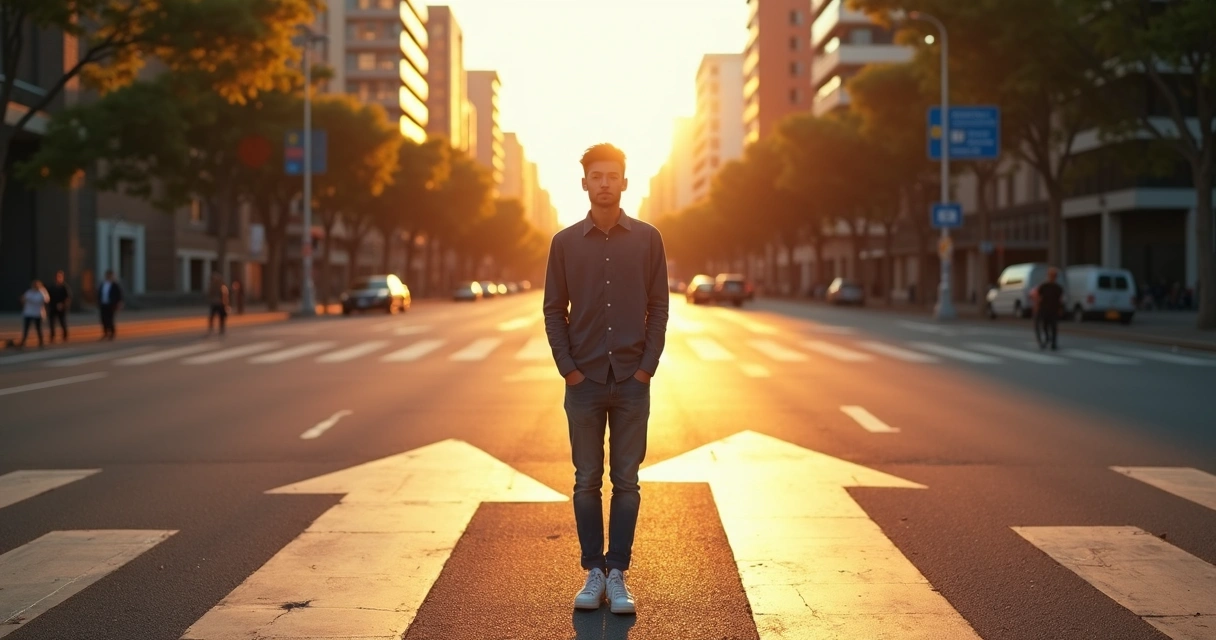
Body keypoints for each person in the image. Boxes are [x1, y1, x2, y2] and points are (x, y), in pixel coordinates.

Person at [543, 143, 669, 616]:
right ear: (584, 183)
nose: (604, 183)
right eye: (596, 175)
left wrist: (646, 366)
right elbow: (554, 310)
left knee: (627, 481)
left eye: (612, 175)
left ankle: (618, 573)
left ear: (624, 182)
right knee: (585, 480)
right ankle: (592, 571)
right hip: (586, 380)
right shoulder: (564, 243)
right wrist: (569, 369)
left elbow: (659, 305)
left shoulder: (648, 239)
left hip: (633, 378)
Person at [1032, 267, 1064, 350]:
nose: (1052, 277)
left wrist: (1060, 309)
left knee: (1053, 326)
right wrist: (1037, 307)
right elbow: (1038, 297)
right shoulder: (1044, 286)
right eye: (1051, 275)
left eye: (1054, 275)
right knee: (1045, 326)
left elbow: (1060, 300)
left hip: (1054, 310)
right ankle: (1047, 339)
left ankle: (1053, 343)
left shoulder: (1058, 288)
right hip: (1044, 309)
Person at [19, 280, 50, 348]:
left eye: (37, 285)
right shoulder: (29, 292)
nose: (35, 287)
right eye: (34, 285)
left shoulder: (42, 292)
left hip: (37, 313)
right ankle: (23, 341)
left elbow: (46, 300)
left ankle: (41, 341)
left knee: (38, 328)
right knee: (26, 328)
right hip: (28, 313)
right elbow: (23, 299)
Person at [97, 269, 123, 340]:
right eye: (107, 275)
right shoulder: (103, 284)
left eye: (110, 275)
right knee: (103, 319)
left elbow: (119, 295)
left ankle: (112, 333)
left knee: (110, 319)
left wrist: (119, 303)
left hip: (111, 305)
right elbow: (99, 294)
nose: (108, 277)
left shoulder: (115, 285)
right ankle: (105, 333)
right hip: (103, 304)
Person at [47, 270, 72, 342]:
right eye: (57, 276)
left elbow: (68, 297)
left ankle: (65, 335)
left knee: (62, 322)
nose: (58, 278)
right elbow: (48, 297)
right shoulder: (51, 286)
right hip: (53, 307)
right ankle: (52, 336)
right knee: (51, 323)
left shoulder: (64, 287)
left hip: (61, 308)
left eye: (60, 276)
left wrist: (63, 305)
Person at [207, 272, 230, 336]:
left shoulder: (217, 286)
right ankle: (219, 329)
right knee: (218, 317)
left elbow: (224, 296)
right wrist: (226, 304)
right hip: (218, 303)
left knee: (217, 317)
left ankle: (218, 329)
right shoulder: (220, 286)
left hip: (217, 303)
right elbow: (225, 296)